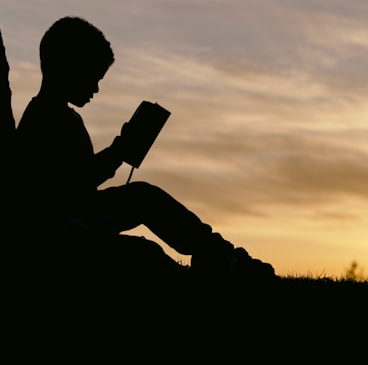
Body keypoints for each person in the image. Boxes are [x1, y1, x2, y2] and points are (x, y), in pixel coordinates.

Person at [12, 16, 276, 278]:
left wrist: (119, 149)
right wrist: (119, 151)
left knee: (144, 197)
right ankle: (221, 264)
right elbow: (66, 188)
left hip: (80, 216)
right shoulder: (44, 119)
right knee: (145, 252)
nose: (95, 88)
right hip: (63, 232)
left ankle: (220, 256)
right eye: (92, 77)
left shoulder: (61, 116)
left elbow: (80, 179)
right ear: (68, 67)